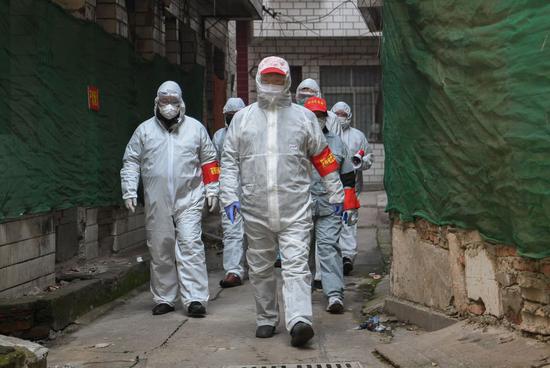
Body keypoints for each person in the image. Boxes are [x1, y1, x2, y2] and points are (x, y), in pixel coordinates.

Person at [220, 56, 344, 347]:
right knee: (260, 267)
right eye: (269, 79)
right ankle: (266, 318)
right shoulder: (243, 119)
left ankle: (300, 320)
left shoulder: (303, 118)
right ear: (260, 80)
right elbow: (228, 161)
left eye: (279, 79)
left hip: (295, 208)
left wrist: (336, 191)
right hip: (255, 207)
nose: (273, 85)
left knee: (297, 266)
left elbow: (323, 157)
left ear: (287, 81)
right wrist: (228, 195)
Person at [120, 81, 220, 317]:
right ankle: (164, 297)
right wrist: (129, 189)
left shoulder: (195, 129)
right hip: (157, 200)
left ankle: (195, 298)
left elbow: (209, 161)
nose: (169, 106)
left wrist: (213, 189)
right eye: (164, 101)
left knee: (190, 245)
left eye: (173, 101)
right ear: (156, 102)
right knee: (160, 246)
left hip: (189, 198)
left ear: (181, 103)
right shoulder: (144, 131)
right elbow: (131, 161)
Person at [304, 96, 359, 314]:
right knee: (300, 252)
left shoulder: (336, 142)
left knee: (328, 248)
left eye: (320, 116)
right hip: (301, 207)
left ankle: (334, 295)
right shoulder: (294, 141)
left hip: (330, 206)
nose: (317, 120)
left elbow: (347, 176)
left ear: (326, 118)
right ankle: (300, 295)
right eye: (313, 116)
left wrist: (349, 205)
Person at [331, 101, 373, 275]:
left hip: (351, 188)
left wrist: (360, 162)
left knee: (348, 223)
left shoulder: (358, 136)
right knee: (331, 224)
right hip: (330, 188)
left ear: (349, 116)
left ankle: (347, 257)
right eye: (337, 114)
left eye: (343, 114)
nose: (340, 117)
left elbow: (369, 158)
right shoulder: (327, 134)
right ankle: (333, 258)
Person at [212, 97, 247, 288]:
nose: (232, 119)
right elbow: (214, 164)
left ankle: (252, 266)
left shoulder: (252, 132)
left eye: (236, 116)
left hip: (251, 189)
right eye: (229, 116)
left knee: (253, 231)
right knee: (232, 230)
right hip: (229, 190)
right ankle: (234, 271)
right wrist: (216, 188)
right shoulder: (219, 137)